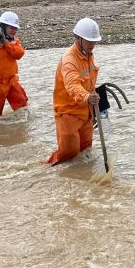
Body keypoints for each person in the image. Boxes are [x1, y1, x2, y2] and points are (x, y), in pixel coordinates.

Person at [46, 18, 102, 165]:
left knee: (85, 152)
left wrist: (94, 104)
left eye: (94, 41)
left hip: (86, 112)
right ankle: (48, 169)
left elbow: (88, 81)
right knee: (68, 154)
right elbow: (72, 85)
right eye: (90, 41)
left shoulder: (88, 54)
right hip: (68, 113)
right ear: (78, 38)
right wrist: (87, 97)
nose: (93, 45)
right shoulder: (69, 60)